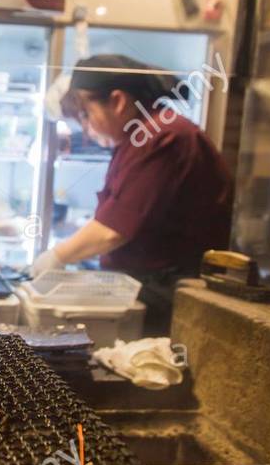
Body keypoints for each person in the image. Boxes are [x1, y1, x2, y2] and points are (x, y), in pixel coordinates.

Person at [31, 54, 233, 334]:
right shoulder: (138, 139)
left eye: (86, 116)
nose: (87, 132)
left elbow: (112, 230)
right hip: (151, 289)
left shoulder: (164, 137)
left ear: (118, 101)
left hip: (170, 295)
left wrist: (56, 256)